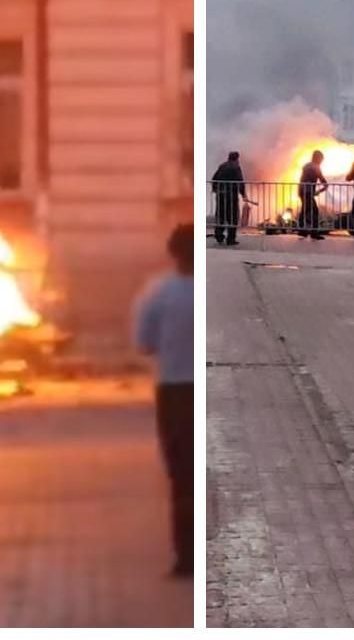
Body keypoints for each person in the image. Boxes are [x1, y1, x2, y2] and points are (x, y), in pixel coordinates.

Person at [134, 224, 194, 578]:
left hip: (173, 391)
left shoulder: (159, 294)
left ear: (172, 254)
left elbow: (144, 344)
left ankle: (185, 556)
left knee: (180, 476)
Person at [211, 151, 249, 246]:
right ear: (237, 158)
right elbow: (240, 181)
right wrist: (243, 194)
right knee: (232, 217)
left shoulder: (222, 166)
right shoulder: (236, 167)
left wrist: (215, 189)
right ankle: (230, 239)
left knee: (220, 215)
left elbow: (214, 178)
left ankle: (219, 236)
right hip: (231, 196)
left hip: (220, 195)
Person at [298, 150, 328, 240]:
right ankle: (314, 232)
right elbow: (322, 179)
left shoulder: (306, 165)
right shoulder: (315, 167)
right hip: (307, 191)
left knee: (305, 210)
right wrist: (322, 187)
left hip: (302, 190)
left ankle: (302, 230)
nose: (321, 162)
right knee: (314, 211)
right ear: (318, 158)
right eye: (321, 159)